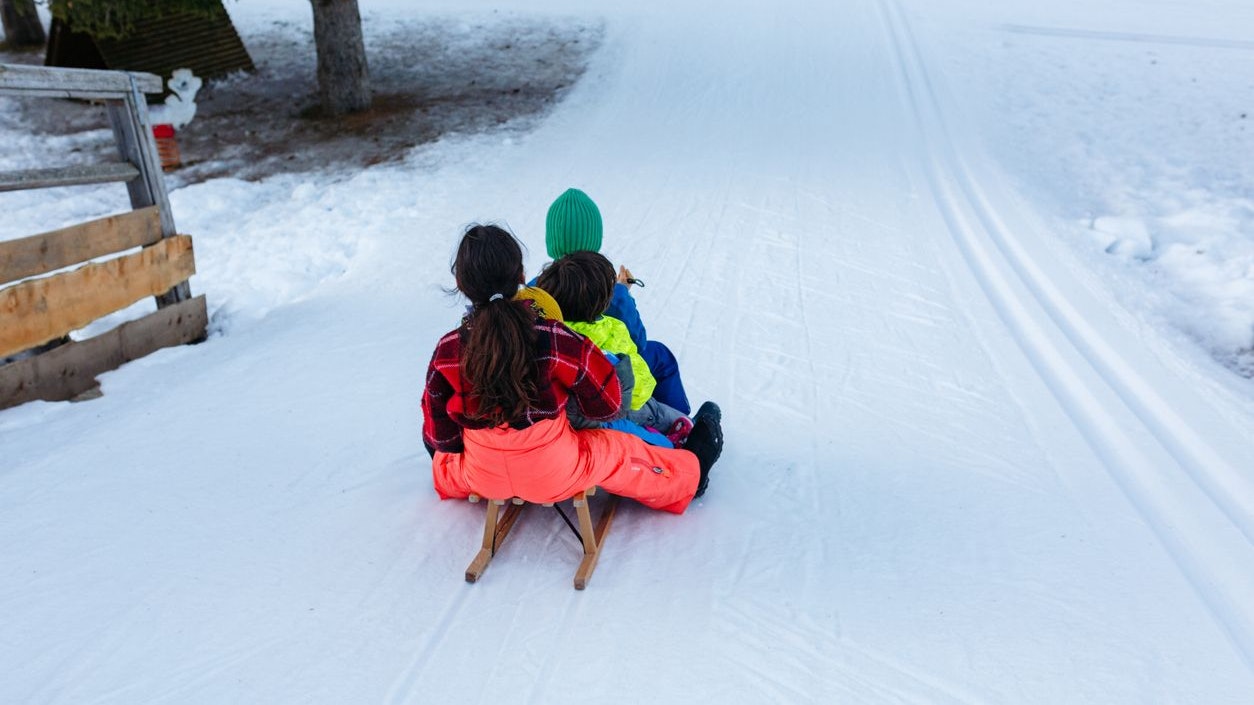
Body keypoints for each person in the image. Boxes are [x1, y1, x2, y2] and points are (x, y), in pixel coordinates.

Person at [423, 224, 723, 509]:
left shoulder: (448, 349)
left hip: (483, 477)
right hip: (554, 474)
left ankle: (478, 471)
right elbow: (606, 407)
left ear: (460, 284)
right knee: (616, 449)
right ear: (522, 275)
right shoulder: (555, 338)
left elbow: (441, 439)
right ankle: (687, 477)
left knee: (448, 462)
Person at [543, 188, 691, 414]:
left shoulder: (539, 286)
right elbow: (637, 343)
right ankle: (679, 422)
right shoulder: (604, 291)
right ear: (594, 239)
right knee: (659, 355)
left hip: (564, 376)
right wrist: (622, 292)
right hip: (606, 374)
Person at [535, 251, 702, 446]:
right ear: (603, 302)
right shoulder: (613, 330)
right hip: (622, 408)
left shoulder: (548, 329)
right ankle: (686, 430)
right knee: (672, 418)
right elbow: (637, 383)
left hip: (575, 412)